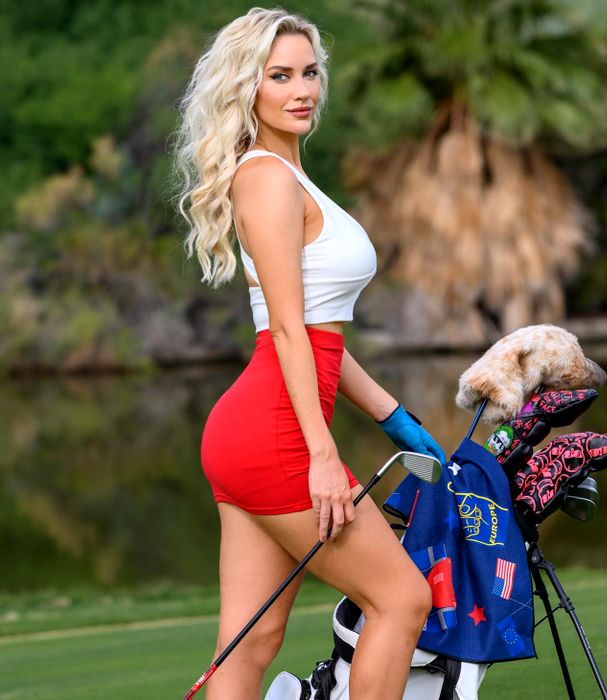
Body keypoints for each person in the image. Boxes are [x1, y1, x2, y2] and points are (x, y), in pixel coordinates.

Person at [173, 8, 446, 699]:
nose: (301, 90)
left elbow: (318, 333)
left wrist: (393, 417)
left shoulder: (288, 175)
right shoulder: (267, 179)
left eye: (310, 73)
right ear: (247, 86)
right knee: (401, 601)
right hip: (276, 438)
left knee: (250, 643)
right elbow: (289, 333)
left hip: (249, 435)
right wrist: (322, 456)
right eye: (280, 76)